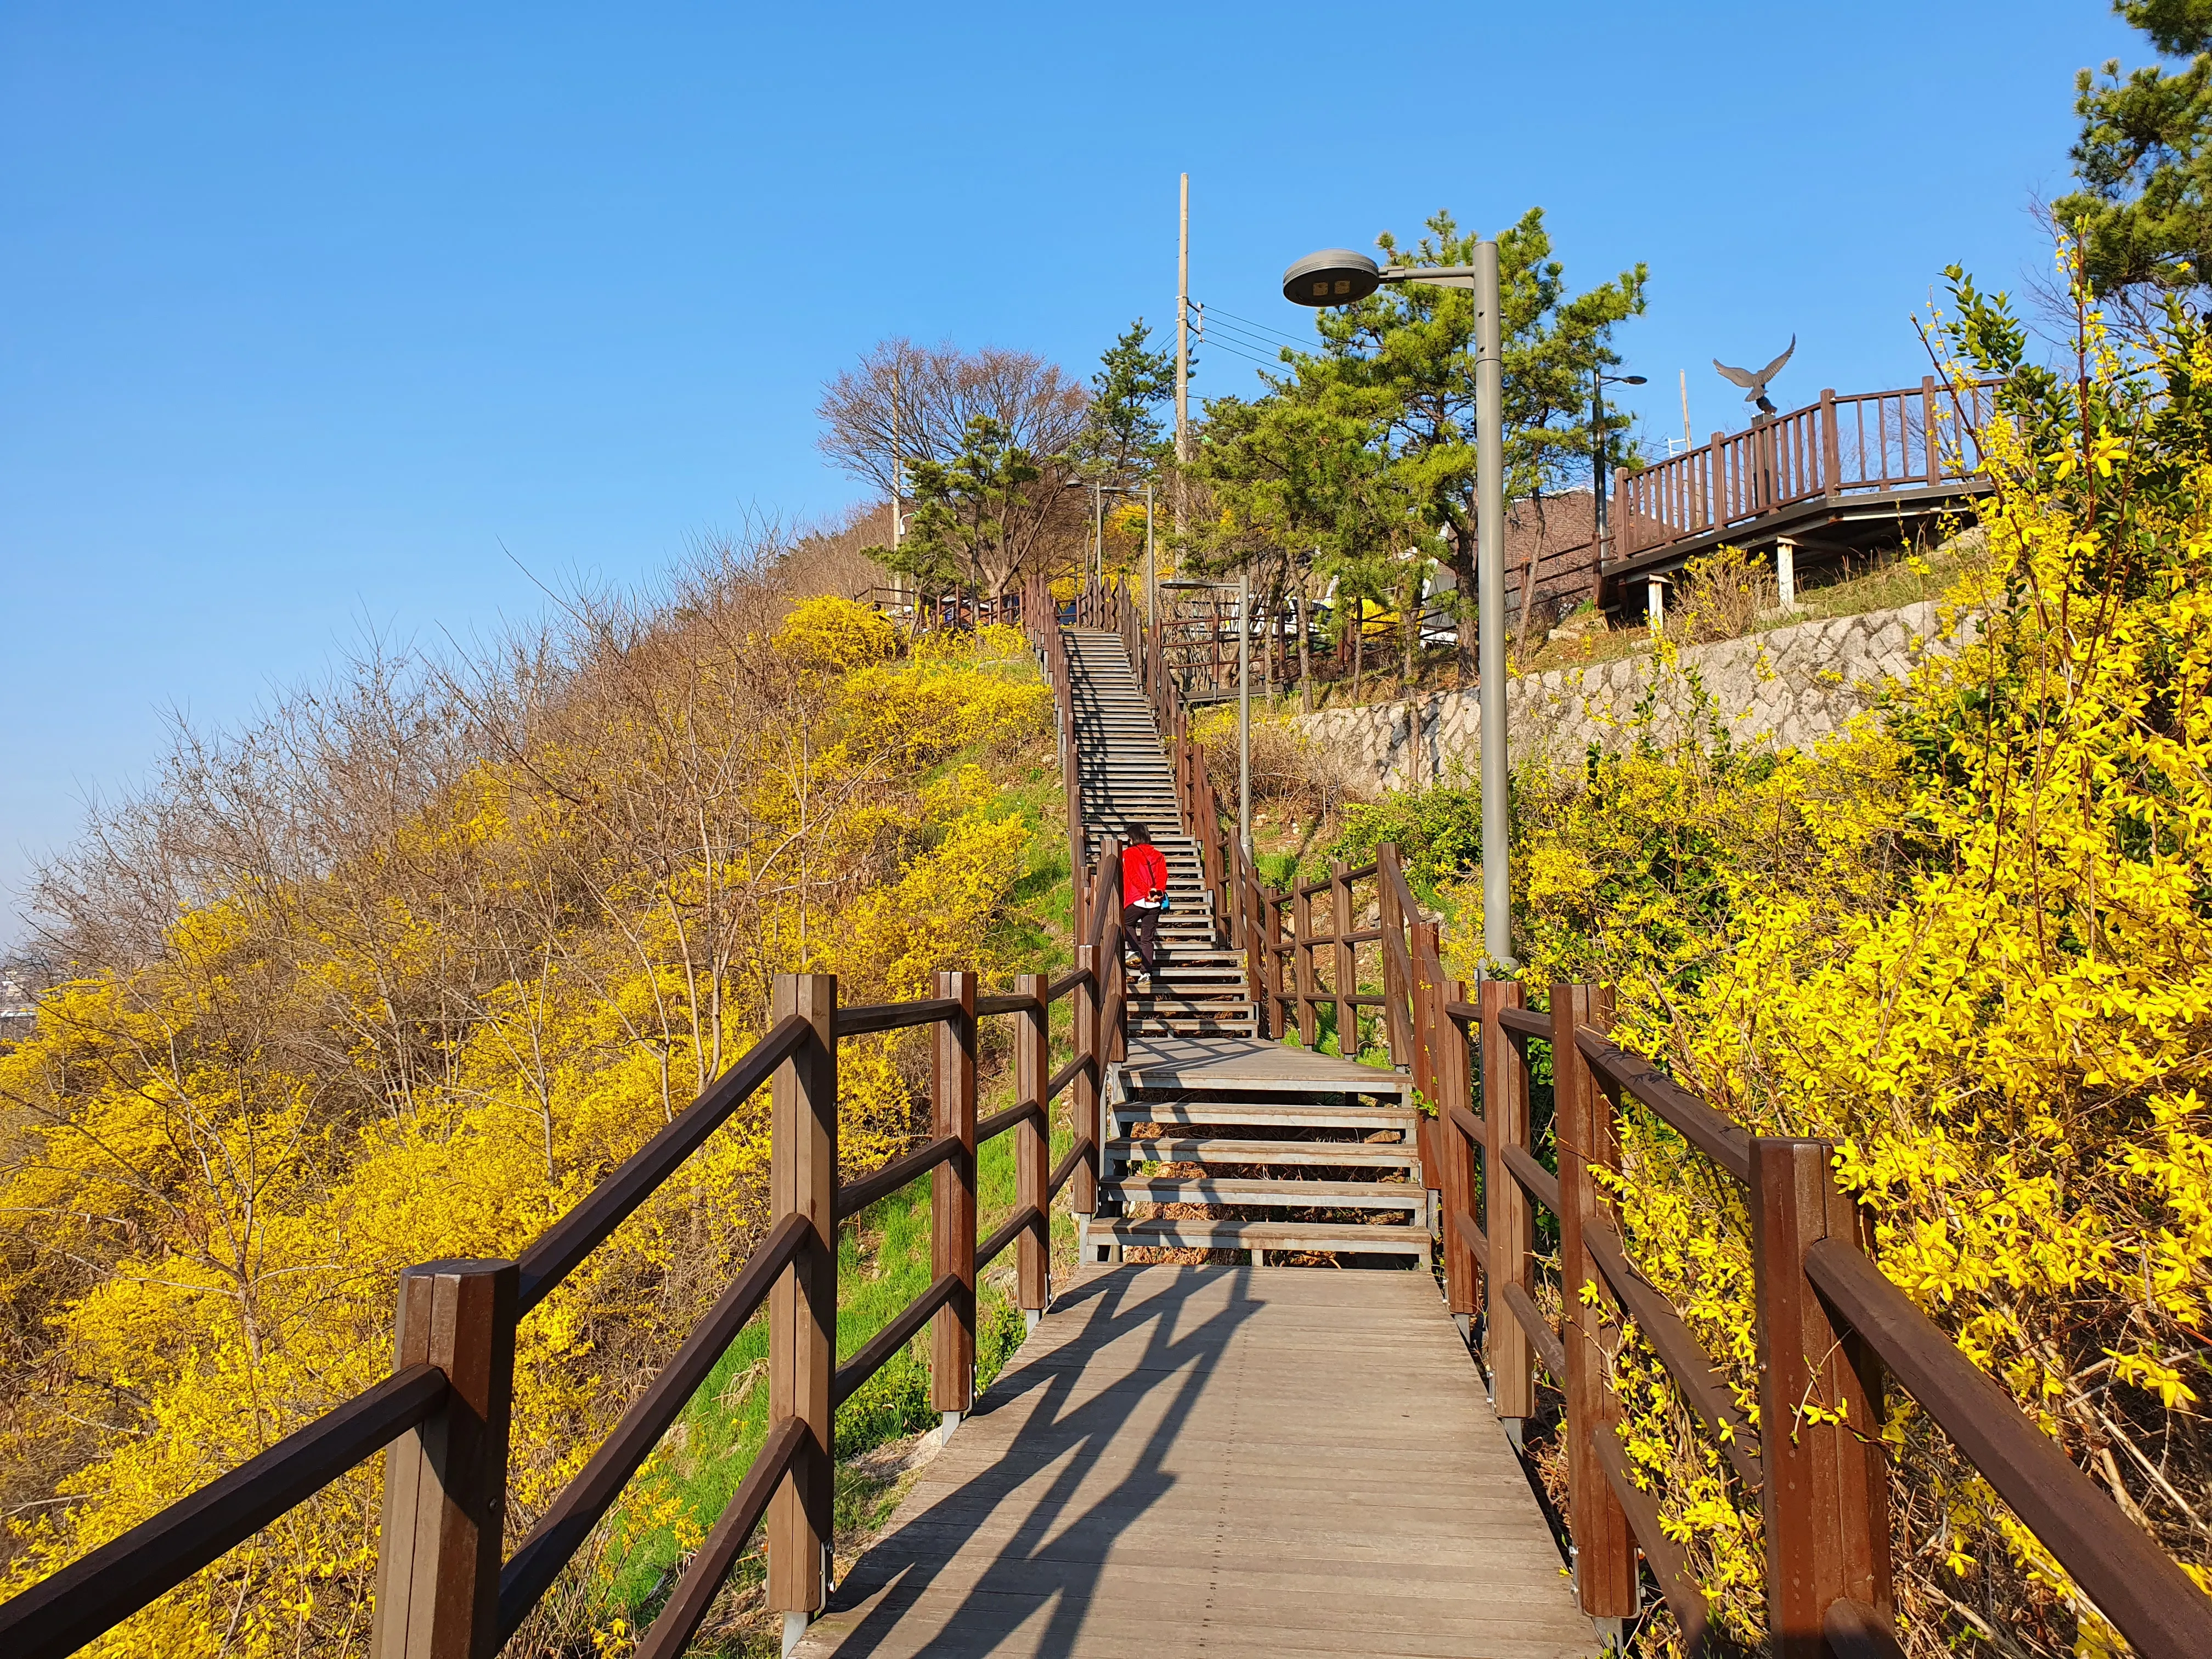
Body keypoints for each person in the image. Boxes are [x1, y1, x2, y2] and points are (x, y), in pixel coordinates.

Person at [1120, 826, 1168, 975]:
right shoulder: (1158, 855)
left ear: (1133, 838)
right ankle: (1146, 974)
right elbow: (1163, 878)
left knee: (1126, 923)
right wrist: (1156, 893)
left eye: (1129, 838)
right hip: (1155, 903)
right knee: (1148, 939)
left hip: (1137, 899)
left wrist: (1145, 892)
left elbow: (1133, 876)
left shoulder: (1128, 853)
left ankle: (1134, 951)